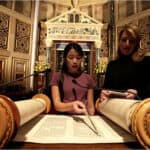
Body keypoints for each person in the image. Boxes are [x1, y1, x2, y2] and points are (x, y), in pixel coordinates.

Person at [100, 24, 150, 101]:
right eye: (124, 40)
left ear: (136, 44)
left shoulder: (145, 62)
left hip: (138, 107)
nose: (127, 44)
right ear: (119, 42)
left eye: (131, 41)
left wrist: (138, 93)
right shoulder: (112, 65)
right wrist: (103, 93)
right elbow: (106, 88)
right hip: (116, 107)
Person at [50, 42, 96, 115]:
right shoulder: (57, 77)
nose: (75, 61)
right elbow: (57, 105)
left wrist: (92, 117)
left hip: (84, 117)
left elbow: (90, 106)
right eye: (71, 58)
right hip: (65, 117)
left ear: (82, 59)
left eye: (78, 58)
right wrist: (72, 105)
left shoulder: (88, 78)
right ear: (65, 59)